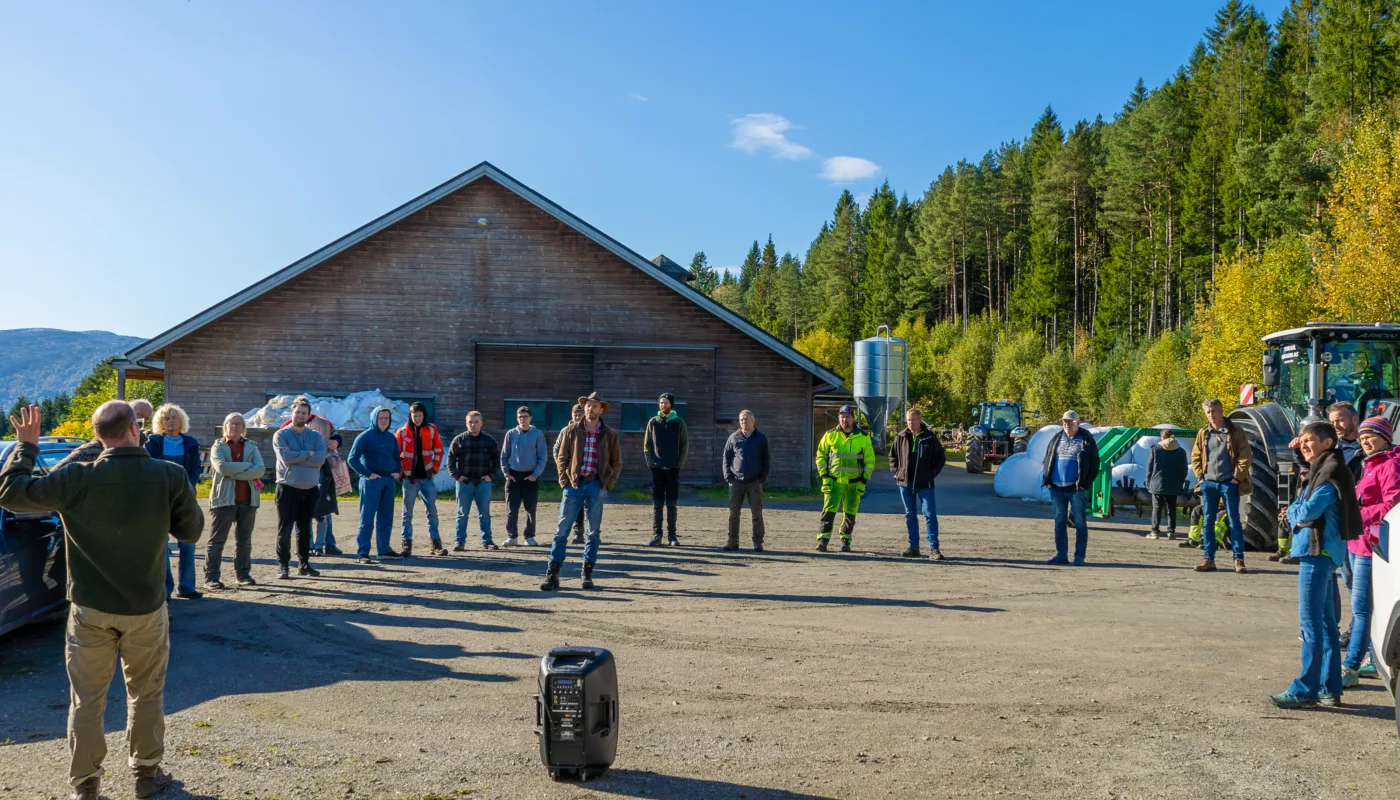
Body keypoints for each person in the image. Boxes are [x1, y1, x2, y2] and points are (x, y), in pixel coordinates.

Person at [1, 401, 203, 800]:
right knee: (145, 694)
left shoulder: (76, 477)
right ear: (135, 429)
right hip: (145, 608)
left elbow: (11, 494)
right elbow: (191, 532)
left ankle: (86, 786)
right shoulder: (169, 475)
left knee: (87, 701)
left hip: (90, 609)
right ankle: (146, 775)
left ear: (98, 436)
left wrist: (26, 447)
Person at [1270, 420, 1361, 708]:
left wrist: (1296, 512)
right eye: (1302, 440)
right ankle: (1329, 688)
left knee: (1311, 626)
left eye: (1310, 440)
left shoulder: (1329, 473)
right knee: (1325, 625)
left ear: (1327, 443)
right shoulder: (1324, 470)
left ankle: (1304, 690)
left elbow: (1306, 511)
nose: (1305, 445)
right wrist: (1298, 511)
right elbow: (1301, 510)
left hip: (1316, 554)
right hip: (1323, 555)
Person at [541, 393, 621, 591]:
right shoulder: (571, 430)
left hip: (596, 484)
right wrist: (564, 482)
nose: (590, 409)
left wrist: (607, 485)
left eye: (594, 406)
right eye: (587, 405)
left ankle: (587, 573)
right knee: (562, 531)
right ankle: (553, 574)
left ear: (601, 410)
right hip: (574, 485)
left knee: (593, 533)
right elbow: (562, 458)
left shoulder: (609, 433)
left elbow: (616, 462)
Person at [1344, 416, 1399, 687]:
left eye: (1371, 436)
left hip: (1369, 546)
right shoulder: (1370, 463)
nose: (1365, 440)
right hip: (1357, 542)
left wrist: (1359, 513)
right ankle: (1371, 661)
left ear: (1385, 438)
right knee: (1365, 607)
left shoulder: (1390, 465)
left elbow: (1393, 503)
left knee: (1361, 610)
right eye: (1362, 436)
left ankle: (1350, 668)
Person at [146, 403, 203, 600]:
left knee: (188, 543)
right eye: (166, 418)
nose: (170, 421)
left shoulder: (191, 443)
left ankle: (187, 587)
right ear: (160, 422)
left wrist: (187, 488)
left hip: (184, 498)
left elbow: (196, 469)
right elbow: (149, 468)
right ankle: (166, 589)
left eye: (174, 417)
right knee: (162, 546)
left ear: (181, 420)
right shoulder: (152, 443)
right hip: (159, 499)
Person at [1190, 399, 1253, 574]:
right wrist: (1201, 477)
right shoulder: (1203, 433)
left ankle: (1238, 559)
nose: (1211, 415)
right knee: (1208, 521)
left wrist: (1235, 478)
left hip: (1228, 483)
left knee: (1234, 522)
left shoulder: (1234, 431)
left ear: (1221, 411)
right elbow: (1196, 456)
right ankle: (1208, 558)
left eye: (1214, 411)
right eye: (1208, 412)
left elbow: (1245, 456)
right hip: (1208, 483)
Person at [205, 413, 264, 589]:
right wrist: (248, 466)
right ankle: (211, 578)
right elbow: (222, 468)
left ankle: (243, 575)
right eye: (231, 423)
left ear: (243, 427)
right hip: (224, 500)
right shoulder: (218, 446)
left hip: (248, 500)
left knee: (244, 541)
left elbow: (260, 469)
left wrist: (234, 472)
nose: (235, 427)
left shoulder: (252, 446)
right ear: (225, 426)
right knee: (217, 541)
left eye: (238, 424)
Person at [272, 396, 328, 577]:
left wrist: (298, 456)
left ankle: (304, 564)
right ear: (292, 413)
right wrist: (308, 454)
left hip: (310, 489)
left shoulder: (316, 436)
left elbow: (320, 459)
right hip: (287, 487)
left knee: (304, 529)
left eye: (304, 413)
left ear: (309, 416)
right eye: (297, 412)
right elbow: (285, 458)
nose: (300, 415)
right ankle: (283, 566)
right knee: (285, 528)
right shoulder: (281, 435)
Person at [1040, 410, 1101, 566]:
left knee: (1079, 522)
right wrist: (1047, 479)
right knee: (1059, 521)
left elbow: (1095, 465)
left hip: (1076, 489)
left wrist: (1085, 485)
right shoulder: (1056, 439)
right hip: (1056, 487)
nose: (1067, 424)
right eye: (1064, 422)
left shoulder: (1086, 440)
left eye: (1070, 422)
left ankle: (1079, 557)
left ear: (1078, 423)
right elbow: (1047, 458)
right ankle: (1061, 555)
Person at [813, 405, 875, 553]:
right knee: (828, 512)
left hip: (854, 483)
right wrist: (825, 476)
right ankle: (823, 540)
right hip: (833, 481)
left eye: (847, 416)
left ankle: (845, 541)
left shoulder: (863, 437)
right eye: (842, 416)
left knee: (850, 514)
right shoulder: (830, 435)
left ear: (853, 418)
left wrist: (863, 480)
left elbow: (870, 461)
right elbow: (820, 456)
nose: (844, 419)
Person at [347, 406, 402, 564]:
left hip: (388, 481)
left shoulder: (391, 438)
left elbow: (397, 458)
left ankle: (384, 549)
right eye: (380, 418)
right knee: (367, 518)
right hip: (371, 482)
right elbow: (352, 458)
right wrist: (368, 474)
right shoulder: (365, 436)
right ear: (374, 419)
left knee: (386, 517)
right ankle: (363, 553)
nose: (384, 421)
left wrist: (397, 472)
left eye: (386, 418)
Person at [890, 407, 947, 559]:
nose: (911, 423)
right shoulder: (901, 436)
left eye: (914, 420)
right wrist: (897, 473)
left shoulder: (929, 437)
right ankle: (913, 547)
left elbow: (940, 458)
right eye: (909, 420)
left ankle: (934, 548)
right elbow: (892, 457)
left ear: (920, 420)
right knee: (910, 515)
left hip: (925, 484)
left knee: (929, 514)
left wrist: (931, 474)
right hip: (905, 483)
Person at [396, 402, 445, 557]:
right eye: (414, 415)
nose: (416, 418)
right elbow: (396, 454)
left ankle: (436, 544)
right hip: (410, 479)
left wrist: (434, 469)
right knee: (407, 513)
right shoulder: (402, 432)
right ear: (410, 415)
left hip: (427, 479)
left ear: (424, 416)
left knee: (432, 511)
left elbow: (439, 451)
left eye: (419, 415)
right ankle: (406, 544)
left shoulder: (431, 430)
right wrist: (402, 473)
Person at [447, 410, 500, 551]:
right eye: (470, 422)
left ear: (481, 423)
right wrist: (457, 476)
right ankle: (459, 542)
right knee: (462, 514)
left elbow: (497, 461)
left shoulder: (489, 441)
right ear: (466, 423)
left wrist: (491, 476)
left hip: (483, 483)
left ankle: (487, 541)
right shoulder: (459, 440)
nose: (473, 424)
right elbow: (450, 460)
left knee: (485, 514)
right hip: (465, 483)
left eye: (476, 422)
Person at [54, 398, 155, 469]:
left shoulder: (145, 446)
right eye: (139, 414)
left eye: (146, 418)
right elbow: (54, 478)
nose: (142, 420)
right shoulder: (91, 450)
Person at [644, 392, 689, 546]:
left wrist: (678, 464)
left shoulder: (679, 423)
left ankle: (672, 535)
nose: (663, 405)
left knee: (671, 504)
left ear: (671, 405)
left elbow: (684, 445)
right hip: (657, 469)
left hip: (672, 469)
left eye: (666, 403)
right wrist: (651, 463)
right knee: (657, 504)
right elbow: (647, 445)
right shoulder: (653, 422)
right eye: (661, 402)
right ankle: (657, 535)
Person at [722, 409, 770, 552]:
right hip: (736, 482)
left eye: (746, 419)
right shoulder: (733, 438)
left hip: (754, 482)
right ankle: (732, 541)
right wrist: (728, 476)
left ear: (753, 421)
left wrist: (762, 478)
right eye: (742, 419)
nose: (744, 422)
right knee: (734, 513)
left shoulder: (761, 438)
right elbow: (726, 457)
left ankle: (758, 542)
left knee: (756, 513)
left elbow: (767, 459)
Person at [501, 405, 549, 547]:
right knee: (511, 509)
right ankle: (512, 536)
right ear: (517, 418)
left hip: (530, 476)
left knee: (530, 509)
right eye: (520, 417)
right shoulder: (510, 434)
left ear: (530, 418)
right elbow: (504, 455)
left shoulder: (537, 434)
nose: (523, 419)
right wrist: (506, 473)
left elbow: (542, 456)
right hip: (513, 476)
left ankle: (529, 536)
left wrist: (535, 474)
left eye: (525, 416)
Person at [1145, 429, 1189, 540]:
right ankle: (1171, 532)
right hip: (1174, 483)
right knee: (1172, 508)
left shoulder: (1156, 449)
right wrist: (1180, 481)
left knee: (1157, 508)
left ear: (1162, 438)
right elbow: (1184, 469)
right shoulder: (1181, 451)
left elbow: (1150, 467)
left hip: (1157, 483)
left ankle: (1155, 532)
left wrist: (1148, 482)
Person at [553, 403, 587, 544]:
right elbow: (557, 450)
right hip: (570, 475)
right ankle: (576, 533)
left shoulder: (589, 430)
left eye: (580, 414)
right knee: (572, 506)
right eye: (575, 414)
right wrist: (563, 468)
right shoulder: (566, 431)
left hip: (587, 474)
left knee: (590, 505)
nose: (578, 417)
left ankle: (590, 533)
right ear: (572, 415)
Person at [310, 420, 343, 556]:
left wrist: (330, 449)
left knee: (323, 515)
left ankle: (320, 545)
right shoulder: (306, 443)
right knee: (305, 516)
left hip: (325, 485)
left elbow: (335, 462)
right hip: (307, 482)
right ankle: (308, 544)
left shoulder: (328, 448)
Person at [1330, 401, 1365, 480]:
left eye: (1339, 420)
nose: (1335, 426)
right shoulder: (1330, 446)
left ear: (1355, 419)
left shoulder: (1367, 448)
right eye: (1332, 422)